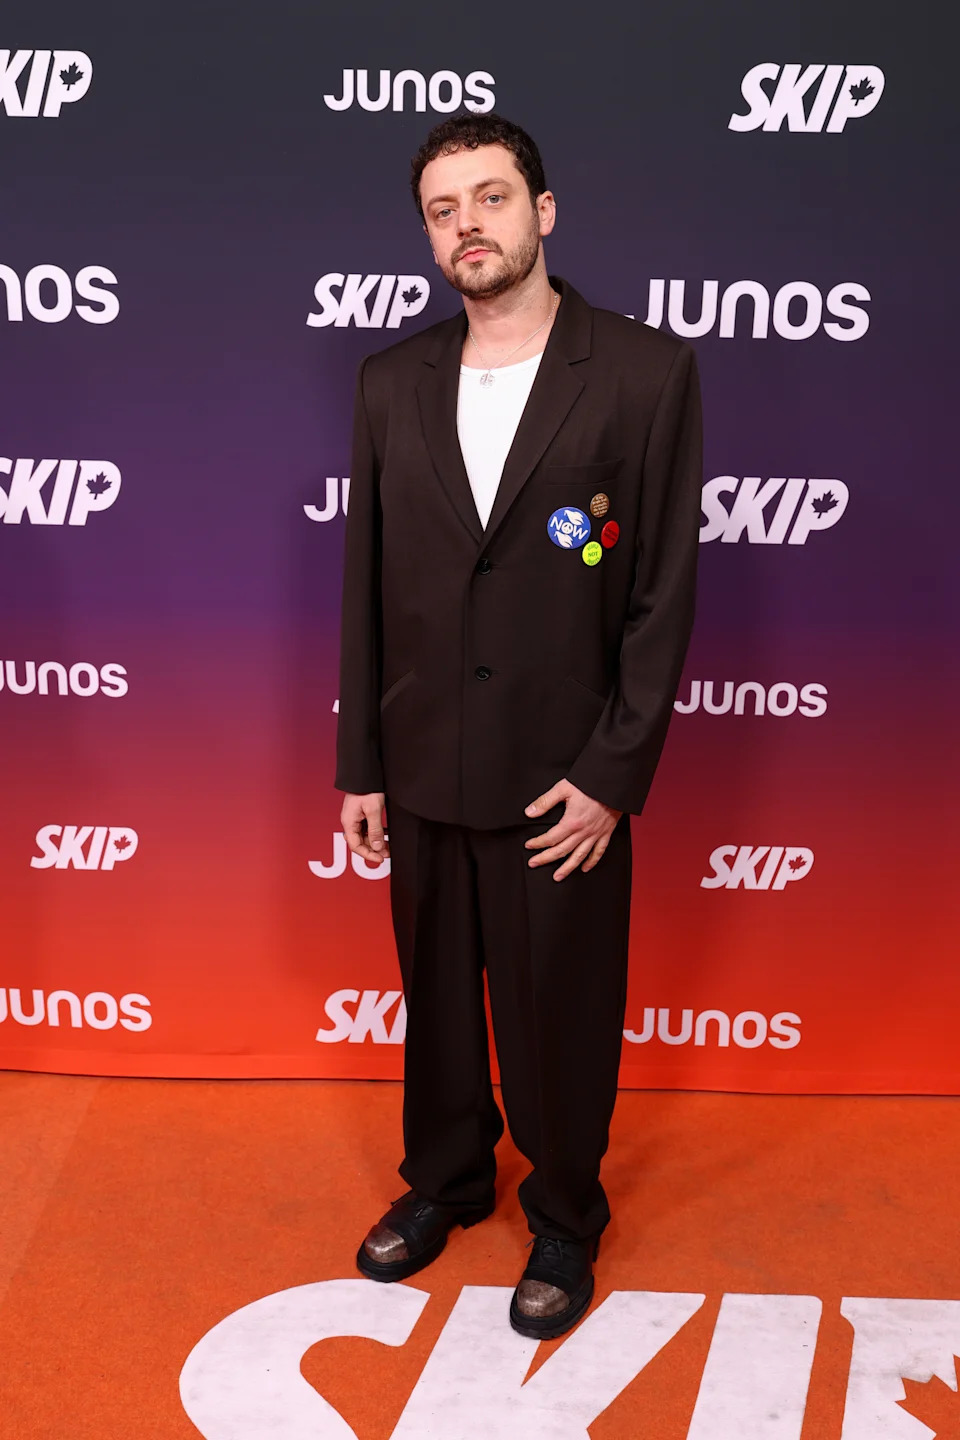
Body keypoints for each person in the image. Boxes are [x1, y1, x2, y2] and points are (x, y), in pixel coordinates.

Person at [335, 112, 702, 1339]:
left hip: (564, 779)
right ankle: (442, 1181)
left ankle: (564, 1214)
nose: (467, 227)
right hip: (424, 755)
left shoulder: (646, 372)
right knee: (434, 1002)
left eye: (491, 199)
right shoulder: (390, 383)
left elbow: (659, 596)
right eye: (444, 211)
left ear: (545, 213)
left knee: (560, 1010)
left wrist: (614, 773)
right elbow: (367, 583)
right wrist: (362, 764)